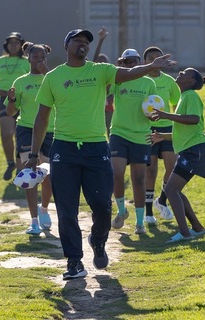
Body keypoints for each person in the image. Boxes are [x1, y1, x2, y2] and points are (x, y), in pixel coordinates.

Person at [24, 28, 176, 280]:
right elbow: (42, 117)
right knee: (66, 209)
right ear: (66, 45)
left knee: (103, 208)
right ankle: (74, 261)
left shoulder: (100, 71)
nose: (83, 45)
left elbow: (127, 73)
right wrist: (32, 153)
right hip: (64, 149)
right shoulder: (54, 77)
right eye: (78, 41)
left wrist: (149, 67)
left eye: (86, 42)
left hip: (96, 148)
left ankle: (98, 240)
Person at [150, 68, 205, 244]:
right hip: (192, 149)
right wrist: (163, 136)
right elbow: (183, 130)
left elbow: (193, 119)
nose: (180, 73)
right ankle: (197, 228)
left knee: (170, 190)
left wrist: (165, 115)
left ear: (191, 81)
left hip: (195, 150)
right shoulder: (185, 96)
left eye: (185, 73)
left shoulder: (191, 95)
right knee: (174, 189)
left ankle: (185, 233)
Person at [6, 42, 54, 235]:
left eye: (43, 57)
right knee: (29, 174)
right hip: (26, 128)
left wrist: (47, 74)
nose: (39, 60)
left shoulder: (52, 78)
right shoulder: (20, 82)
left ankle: (44, 209)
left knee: (49, 175)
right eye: (36, 57)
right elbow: (11, 112)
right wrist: (10, 99)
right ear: (28, 58)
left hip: (51, 129)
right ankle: (33, 221)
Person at [109, 48, 157, 235]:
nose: (131, 65)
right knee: (116, 172)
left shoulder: (148, 82)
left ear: (140, 61)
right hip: (119, 133)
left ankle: (139, 223)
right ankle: (121, 211)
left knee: (138, 179)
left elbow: (153, 106)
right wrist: (117, 69)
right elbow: (105, 85)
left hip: (141, 135)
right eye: (126, 62)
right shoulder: (118, 80)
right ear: (122, 63)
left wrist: (154, 117)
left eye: (134, 61)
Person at [142, 46, 181, 224]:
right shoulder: (140, 80)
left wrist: (177, 128)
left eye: (158, 58)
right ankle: (148, 213)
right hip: (147, 130)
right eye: (150, 58)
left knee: (171, 168)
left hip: (167, 128)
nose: (155, 61)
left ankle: (162, 201)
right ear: (145, 62)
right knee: (150, 170)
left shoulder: (169, 81)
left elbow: (175, 105)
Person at [0, 32, 30, 181]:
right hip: (5, 100)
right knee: (6, 133)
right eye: (11, 43)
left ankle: (20, 169)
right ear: (6, 45)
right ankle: (10, 163)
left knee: (21, 136)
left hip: (24, 101)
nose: (13, 45)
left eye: (17, 43)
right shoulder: (0, 61)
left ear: (21, 45)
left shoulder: (26, 61)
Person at [91, 26, 114, 137]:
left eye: (104, 62)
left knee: (110, 129)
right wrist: (100, 41)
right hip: (96, 109)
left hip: (108, 109)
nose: (101, 64)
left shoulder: (110, 77)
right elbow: (95, 60)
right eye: (100, 62)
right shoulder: (93, 76)